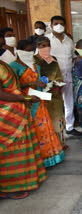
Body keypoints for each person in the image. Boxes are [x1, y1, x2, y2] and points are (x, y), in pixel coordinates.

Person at [9, 40, 65, 167]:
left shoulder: (36, 66)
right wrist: (30, 84)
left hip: (39, 101)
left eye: (31, 51)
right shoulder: (14, 66)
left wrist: (43, 85)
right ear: (19, 51)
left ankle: (49, 156)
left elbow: (39, 81)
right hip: (25, 102)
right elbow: (13, 86)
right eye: (26, 51)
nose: (29, 53)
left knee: (44, 129)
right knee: (32, 130)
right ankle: (35, 160)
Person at [0, 60, 47, 200]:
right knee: (10, 152)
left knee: (21, 149)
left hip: (17, 111)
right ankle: (8, 188)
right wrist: (25, 97)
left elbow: (12, 86)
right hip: (7, 115)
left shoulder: (3, 63)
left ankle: (23, 182)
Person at [47, 16, 81, 136]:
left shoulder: (69, 40)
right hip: (53, 78)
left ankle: (70, 127)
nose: (59, 26)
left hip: (68, 75)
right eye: (56, 23)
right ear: (51, 26)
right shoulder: (46, 40)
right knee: (53, 103)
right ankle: (52, 129)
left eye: (61, 23)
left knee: (69, 102)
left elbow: (73, 56)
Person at [34, 36, 67, 150]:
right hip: (41, 95)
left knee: (57, 118)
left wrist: (58, 81)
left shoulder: (53, 60)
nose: (46, 48)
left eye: (48, 45)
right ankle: (48, 146)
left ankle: (60, 143)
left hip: (55, 94)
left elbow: (59, 75)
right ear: (37, 47)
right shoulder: (34, 61)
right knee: (45, 120)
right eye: (42, 46)